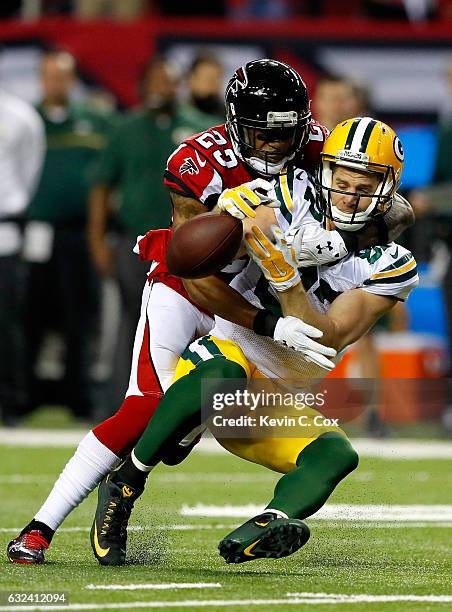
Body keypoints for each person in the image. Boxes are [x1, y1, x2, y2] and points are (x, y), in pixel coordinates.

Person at [7, 61, 414, 565]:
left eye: (286, 133)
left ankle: (221, 465)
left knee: (218, 405)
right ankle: (45, 524)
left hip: (265, 323)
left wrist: (338, 238)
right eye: (263, 134)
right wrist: (272, 306)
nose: (275, 145)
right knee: (146, 409)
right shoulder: (204, 166)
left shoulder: (318, 155)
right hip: (191, 288)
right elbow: (194, 267)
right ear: (237, 124)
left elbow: (387, 209)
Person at [23, 51, 115, 420]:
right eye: (48, 76)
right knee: (30, 317)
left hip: (80, 234)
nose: (55, 83)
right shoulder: (28, 121)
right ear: (40, 79)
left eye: (61, 76)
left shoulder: (95, 122)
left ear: (72, 80)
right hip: (34, 231)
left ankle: (78, 398)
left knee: (79, 318)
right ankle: (22, 397)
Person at [0, 90, 45, 426]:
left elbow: (31, 170)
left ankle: (10, 402)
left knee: (7, 322)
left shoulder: (19, 114)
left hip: (5, 231)